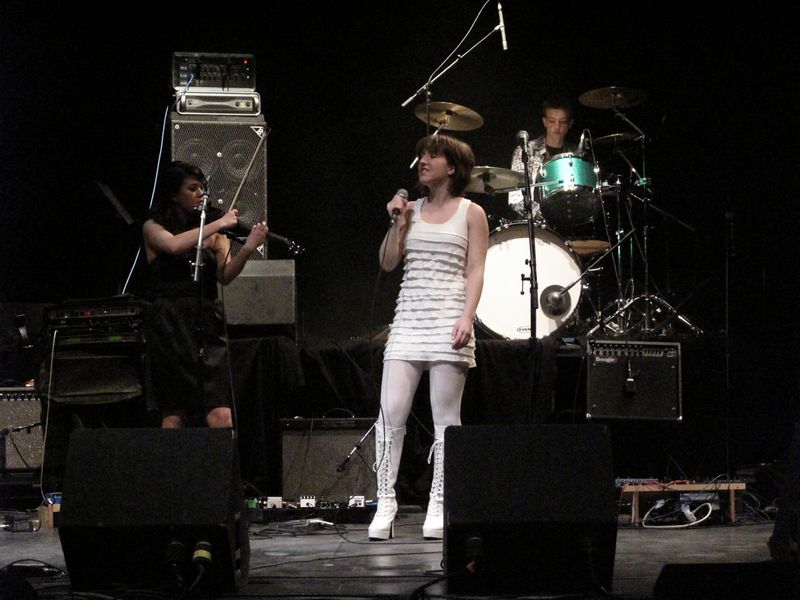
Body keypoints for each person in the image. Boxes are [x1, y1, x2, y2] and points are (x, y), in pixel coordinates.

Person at [369, 134, 489, 540]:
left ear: (452, 167)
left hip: (448, 317)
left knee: (445, 419)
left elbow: (476, 269)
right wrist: (398, 222)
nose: (422, 161)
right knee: (390, 414)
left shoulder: (471, 212)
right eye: (421, 154)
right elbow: (388, 263)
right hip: (409, 319)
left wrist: (467, 316)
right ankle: (385, 500)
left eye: (432, 156)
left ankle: (440, 501)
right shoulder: (411, 210)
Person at [142, 160, 267, 429]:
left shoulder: (215, 231)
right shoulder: (153, 227)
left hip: (206, 317)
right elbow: (174, 246)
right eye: (192, 188)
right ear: (174, 194)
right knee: (174, 411)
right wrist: (219, 223)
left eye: (202, 188)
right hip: (171, 320)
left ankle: (223, 457)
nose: (201, 194)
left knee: (219, 409)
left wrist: (248, 248)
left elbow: (225, 275)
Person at [508, 98, 575, 217]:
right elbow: (515, 197)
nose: (557, 127)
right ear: (545, 122)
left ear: (570, 124)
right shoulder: (526, 150)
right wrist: (545, 214)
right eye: (552, 121)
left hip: (569, 217)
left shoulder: (576, 154)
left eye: (562, 122)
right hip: (537, 222)